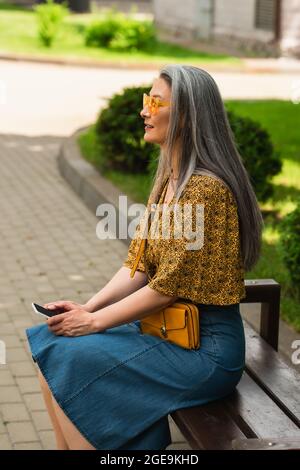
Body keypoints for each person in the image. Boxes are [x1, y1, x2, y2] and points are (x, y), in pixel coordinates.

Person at [26, 65, 263, 450]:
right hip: (166, 330)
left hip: (205, 351)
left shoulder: (205, 189)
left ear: (186, 115)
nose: (143, 111)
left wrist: (95, 323)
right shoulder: (169, 180)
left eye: (155, 102)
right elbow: (137, 265)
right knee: (52, 347)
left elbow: (166, 288)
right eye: (144, 100)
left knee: (71, 360)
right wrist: (88, 308)